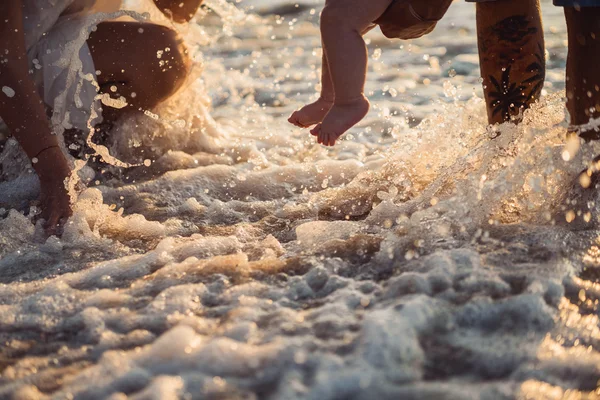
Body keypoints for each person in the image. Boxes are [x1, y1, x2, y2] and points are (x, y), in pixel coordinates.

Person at [0, 0, 201, 235]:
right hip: (11, 57)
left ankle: (74, 149)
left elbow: (178, 9)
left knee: (164, 55)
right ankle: (30, 150)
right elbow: (4, 61)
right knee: (157, 51)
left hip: (47, 33)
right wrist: (53, 173)